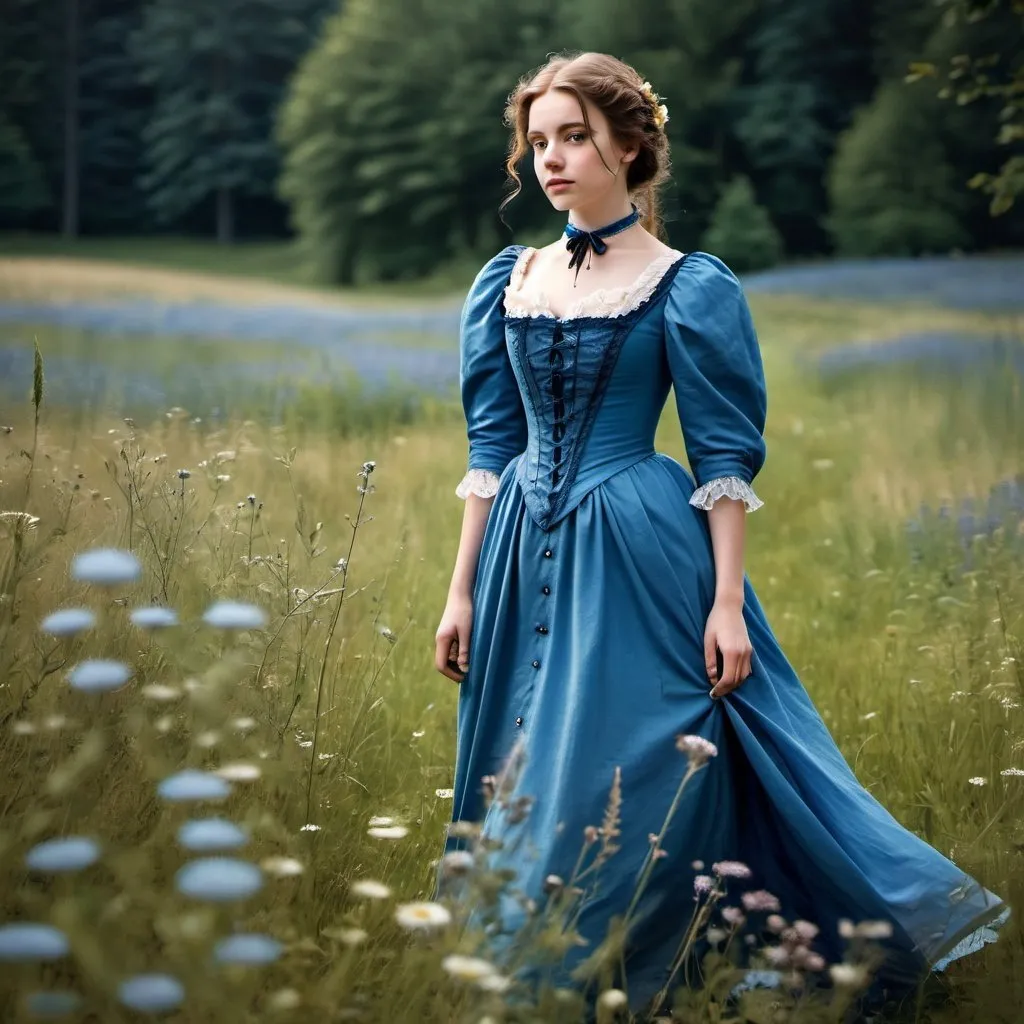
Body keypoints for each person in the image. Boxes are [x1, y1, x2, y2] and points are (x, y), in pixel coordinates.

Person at [432, 51, 1007, 1017]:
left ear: (630, 145)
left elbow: (723, 459)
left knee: (640, 761)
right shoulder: (508, 280)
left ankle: (649, 965)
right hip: (517, 548)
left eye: (575, 136)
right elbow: (492, 442)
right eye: (539, 141)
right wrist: (459, 588)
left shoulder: (687, 284)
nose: (553, 159)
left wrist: (728, 604)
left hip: (638, 550)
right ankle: (517, 967)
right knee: (519, 769)